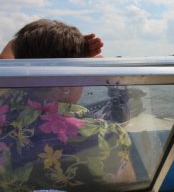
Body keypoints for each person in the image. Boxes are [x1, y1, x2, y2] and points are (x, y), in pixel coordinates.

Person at [0, 19, 134, 192]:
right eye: (82, 72)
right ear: (66, 79)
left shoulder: (5, 100)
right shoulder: (103, 135)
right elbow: (130, 185)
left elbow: (8, 57)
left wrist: (44, 43)